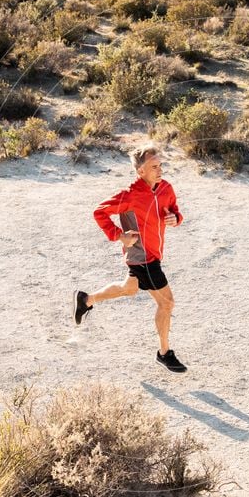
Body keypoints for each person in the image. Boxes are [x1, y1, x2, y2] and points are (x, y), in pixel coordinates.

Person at [73, 144, 187, 373]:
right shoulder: (130, 194)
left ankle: (86, 300)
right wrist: (119, 235)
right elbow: (100, 212)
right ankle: (164, 353)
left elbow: (174, 210)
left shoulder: (166, 188)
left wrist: (176, 217)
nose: (160, 170)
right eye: (154, 166)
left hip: (154, 253)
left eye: (160, 165)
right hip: (142, 256)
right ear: (141, 171)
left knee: (129, 288)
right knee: (167, 303)